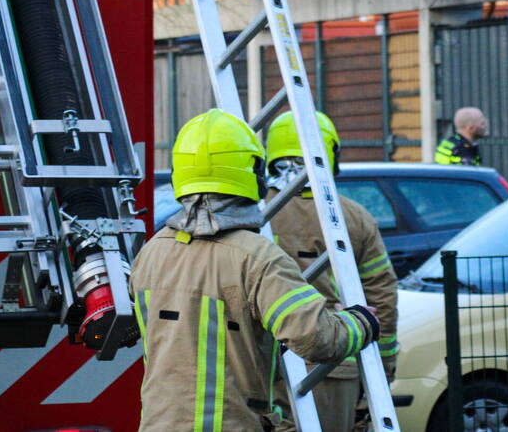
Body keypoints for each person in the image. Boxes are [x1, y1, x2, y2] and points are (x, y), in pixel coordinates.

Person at [130, 109, 380, 432]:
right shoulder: (257, 257)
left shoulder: (151, 252)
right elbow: (315, 338)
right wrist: (361, 322)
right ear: (253, 172)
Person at [265, 111, 398, 432]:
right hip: (336, 365)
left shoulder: (257, 215)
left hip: (266, 363)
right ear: (329, 152)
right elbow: (382, 297)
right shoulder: (354, 218)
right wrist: (384, 369)